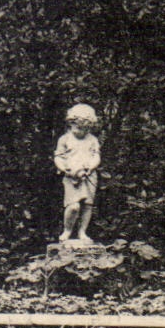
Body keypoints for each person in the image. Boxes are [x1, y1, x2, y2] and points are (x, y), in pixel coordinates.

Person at [54, 103, 101, 244]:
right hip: (71, 176)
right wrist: (64, 169)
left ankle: (82, 232)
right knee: (73, 206)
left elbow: (96, 156)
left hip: (89, 175)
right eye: (78, 127)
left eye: (85, 128)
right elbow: (58, 157)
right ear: (71, 123)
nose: (80, 131)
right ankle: (67, 230)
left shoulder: (92, 140)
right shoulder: (65, 139)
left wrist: (91, 168)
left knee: (87, 204)